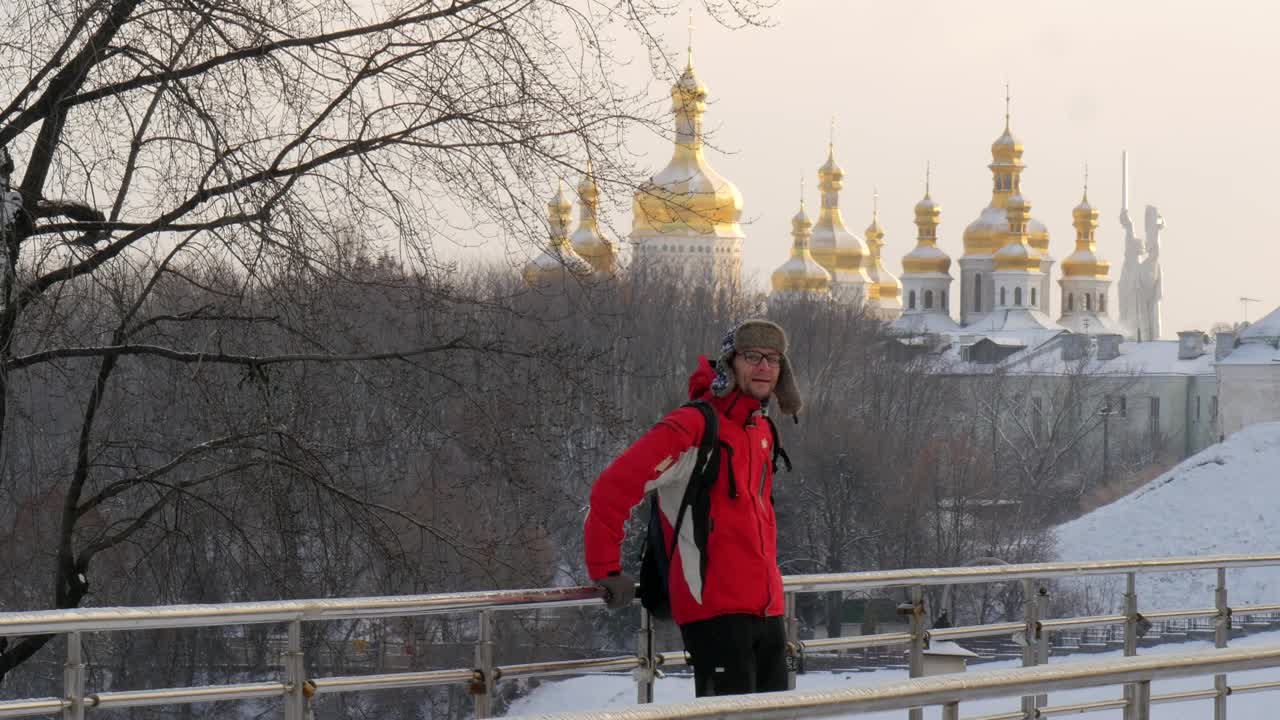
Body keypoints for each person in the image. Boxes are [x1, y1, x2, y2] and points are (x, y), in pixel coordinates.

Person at [583, 319, 802, 697]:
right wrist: (606, 570)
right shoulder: (693, 426)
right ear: (730, 363)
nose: (764, 367)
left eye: (773, 358)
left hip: (767, 610)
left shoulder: (761, 431)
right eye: (752, 356)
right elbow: (612, 488)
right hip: (714, 611)